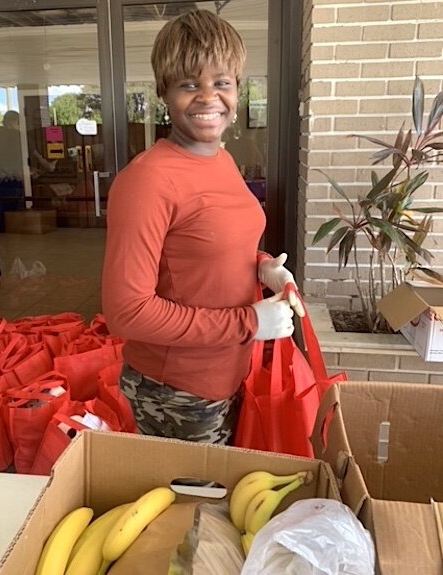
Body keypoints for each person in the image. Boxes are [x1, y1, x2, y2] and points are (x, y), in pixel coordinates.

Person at [102, 9, 304, 445]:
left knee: (223, 505)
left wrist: (263, 265)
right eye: (189, 84)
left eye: (222, 82)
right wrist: (249, 321)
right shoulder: (148, 180)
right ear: (164, 93)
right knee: (195, 509)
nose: (208, 97)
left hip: (230, 371)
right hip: (178, 392)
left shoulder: (222, 159)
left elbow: (210, 246)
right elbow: (126, 311)